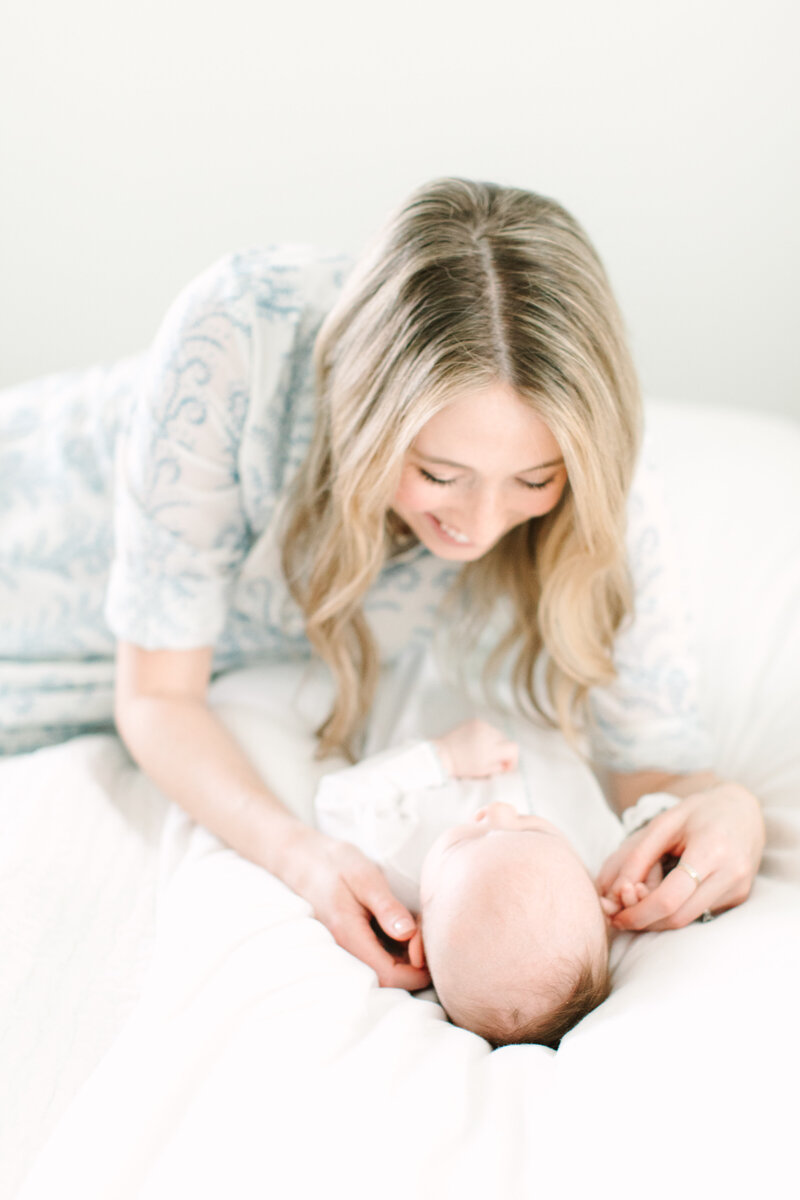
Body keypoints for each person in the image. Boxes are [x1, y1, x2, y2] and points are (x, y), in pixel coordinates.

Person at [0, 177, 765, 993]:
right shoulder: (241, 332)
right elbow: (155, 693)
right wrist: (307, 858)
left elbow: (654, 771)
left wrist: (730, 813)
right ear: (365, 421)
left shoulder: (601, 481)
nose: (478, 525)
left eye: (533, 481)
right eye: (440, 473)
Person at [315, 717, 614, 1048]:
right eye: (533, 830)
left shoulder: (399, 865)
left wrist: (442, 758)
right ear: (600, 900)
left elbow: (337, 801)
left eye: (462, 843)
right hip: (541, 701)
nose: (497, 811)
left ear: (419, 940)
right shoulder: (597, 853)